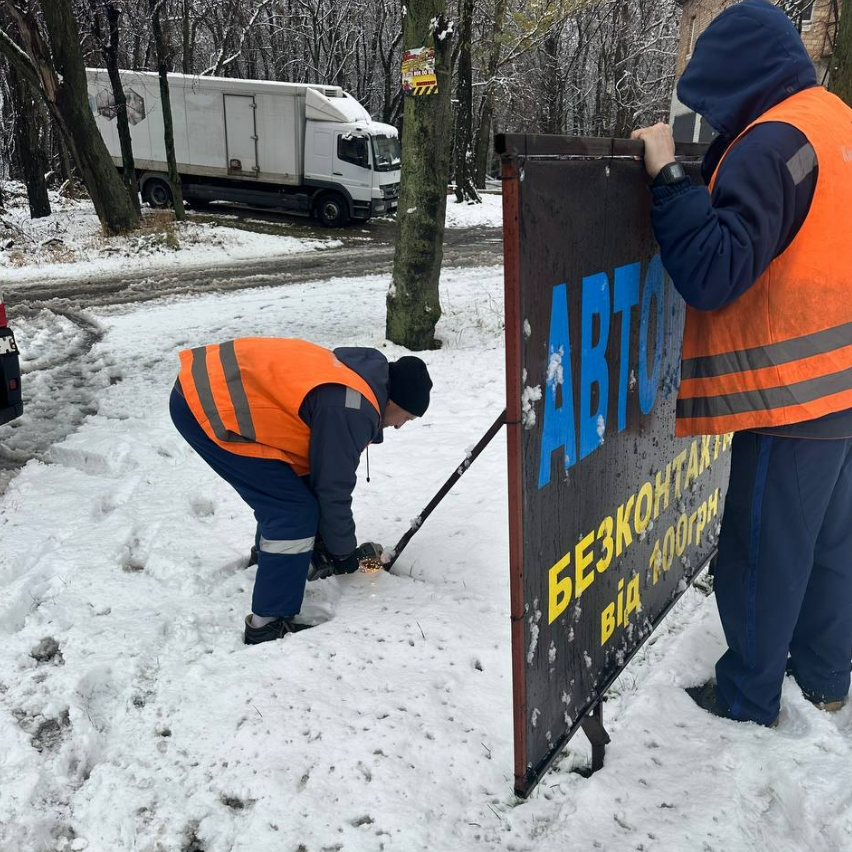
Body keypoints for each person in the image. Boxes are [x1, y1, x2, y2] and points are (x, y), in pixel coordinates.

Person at [631, 0, 852, 726]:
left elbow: (715, 270)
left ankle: (746, 696)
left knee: (762, 550)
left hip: (795, 389)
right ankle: (824, 677)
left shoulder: (773, 142)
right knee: (828, 547)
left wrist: (668, 177)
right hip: (843, 377)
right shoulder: (833, 119)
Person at [169, 337, 432, 645]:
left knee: (291, 487)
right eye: (407, 419)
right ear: (394, 404)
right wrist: (343, 552)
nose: (400, 426)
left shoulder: (360, 377)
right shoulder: (351, 406)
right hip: (209, 407)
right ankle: (267, 622)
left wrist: (329, 543)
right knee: (292, 512)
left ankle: (274, 560)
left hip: (205, 387)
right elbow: (332, 488)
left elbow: (317, 471)